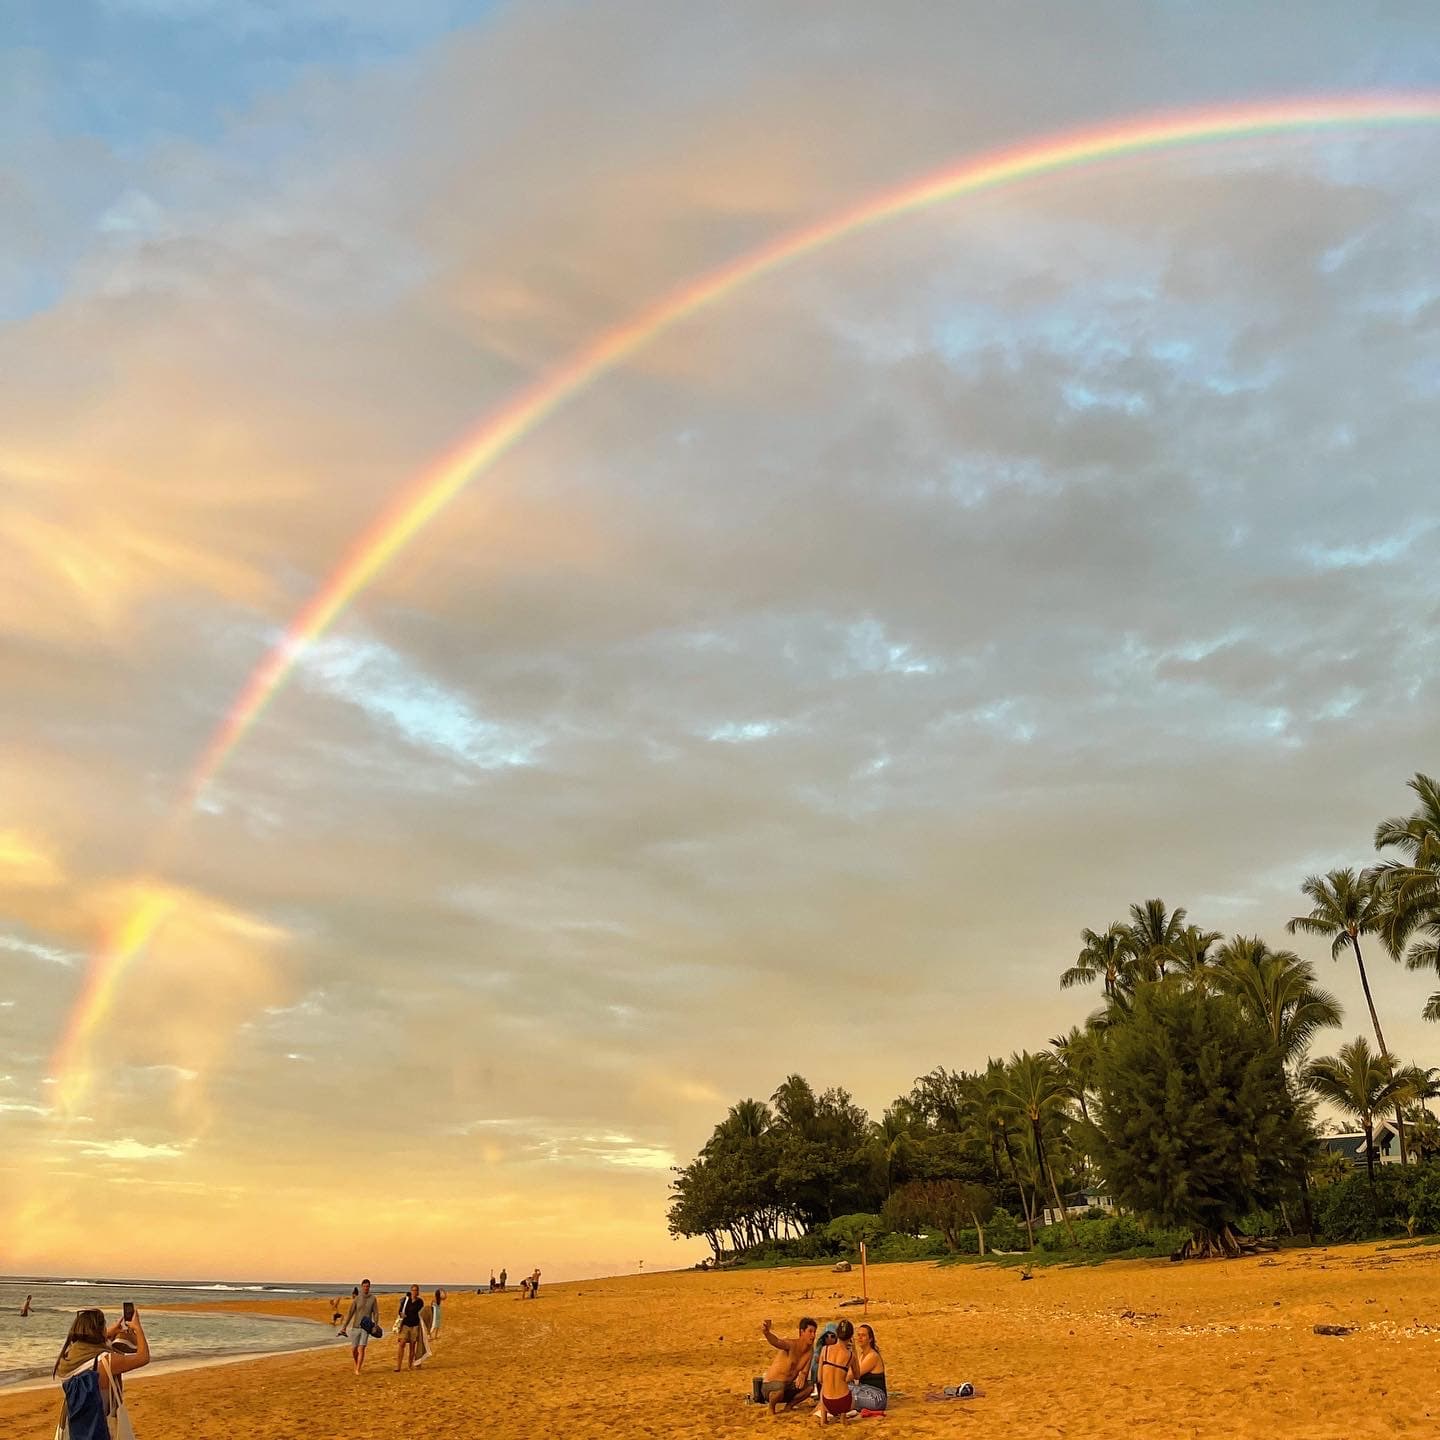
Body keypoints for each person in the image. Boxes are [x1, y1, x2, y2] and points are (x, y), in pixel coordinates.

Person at [53, 1305, 150, 1438]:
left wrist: (108, 1332)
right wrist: (137, 1328)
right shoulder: (106, 1362)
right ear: (100, 1330)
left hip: (74, 1428)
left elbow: (89, 1345)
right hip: (101, 1428)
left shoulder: (66, 1359)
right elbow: (143, 1357)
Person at [758, 1316, 817, 1415]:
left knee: (809, 1388)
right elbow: (776, 1342)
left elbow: (805, 1372)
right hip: (771, 1385)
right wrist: (767, 1333)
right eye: (810, 1332)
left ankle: (789, 1406)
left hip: (787, 1386)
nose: (813, 1335)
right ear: (802, 1332)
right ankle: (771, 1407)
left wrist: (802, 1374)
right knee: (779, 1389)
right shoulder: (791, 1345)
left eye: (814, 1332)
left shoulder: (810, 1350)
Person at [338, 1279, 381, 1375]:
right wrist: (344, 1326)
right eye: (364, 1286)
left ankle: (358, 1369)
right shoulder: (357, 1298)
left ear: (369, 1287)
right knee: (354, 1349)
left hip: (366, 1328)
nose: (366, 1288)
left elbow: (376, 1313)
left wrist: (376, 1326)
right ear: (362, 1287)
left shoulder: (373, 1298)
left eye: (367, 1286)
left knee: (361, 1348)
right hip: (356, 1327)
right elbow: (350, 1313)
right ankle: (357, 1363)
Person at [817, 1318, 855, 1423]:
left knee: (824, 1384)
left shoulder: (825, 1350)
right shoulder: (851, 1355)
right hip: (844, 1402)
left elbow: (819, 1378)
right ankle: (843, 1419)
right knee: (847, 1386)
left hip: (827, 1402)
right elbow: (857, 1375)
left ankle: (823, 1419)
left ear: (837, 1334)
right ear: (851, 1336)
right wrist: (854, 1350)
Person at [848, 1323, 887, 1414]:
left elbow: (854, 1375)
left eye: (863, 1335)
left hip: (876, 1398)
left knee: (841, 1389)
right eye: (858, 1335)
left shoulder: (872, 1356)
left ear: (870, 1339)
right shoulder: (862, 1355)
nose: (860, 1338)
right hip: (866, 1391)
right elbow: (852, 1372)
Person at [396, 1285, 425, 1370]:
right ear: (411, 1291)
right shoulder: (405, 1300)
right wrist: (401, 1314)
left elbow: (418, 1311)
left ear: (418, 1292)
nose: (414, 1292)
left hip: (414, 1325)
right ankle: (398, 1366)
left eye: (416, 1290)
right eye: (413, 1290)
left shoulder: (420, 1302)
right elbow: (400, 1311)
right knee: (402, 1343)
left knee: (412, 1345)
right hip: (405, 1325)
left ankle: (409, 1365)